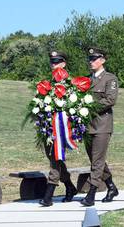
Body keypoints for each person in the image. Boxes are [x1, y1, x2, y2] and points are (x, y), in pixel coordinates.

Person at [81, 47, 119, 206]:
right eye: (90, 59)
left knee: (97, 161)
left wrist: (89, 106)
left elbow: (110, 100)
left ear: (102, 60)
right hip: (88, 126)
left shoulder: (110, 79)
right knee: (96, 160)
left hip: (102, 126)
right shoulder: (86, 80)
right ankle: (111, 187)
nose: (91, 62)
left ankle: (91, 194)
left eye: (94, 59)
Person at [39, 50, 78, 207]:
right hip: (49, 128)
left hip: (63, 128)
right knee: (54, 157)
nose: (53, 65)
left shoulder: (70, 83)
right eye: (52, 62)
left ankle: (48, 195)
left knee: (56, 159)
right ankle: (70, 187)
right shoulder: (49, 83)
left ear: (63, 63)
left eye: (56, 62)